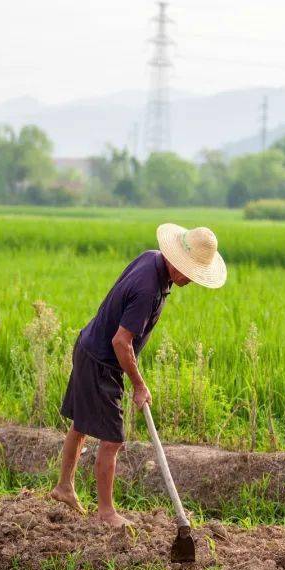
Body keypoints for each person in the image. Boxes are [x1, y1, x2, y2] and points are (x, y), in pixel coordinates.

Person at [49, 223, 227, 527]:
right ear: (177, 262)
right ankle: (106, 513)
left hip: (88, 346)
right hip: (102, 362)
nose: (191, 281)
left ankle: (64, 487)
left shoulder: (151, 259)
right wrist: (139, 385)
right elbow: (121, 342)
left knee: (81, 424)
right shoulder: (148, 289)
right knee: (112, 439)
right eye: (191, 273)